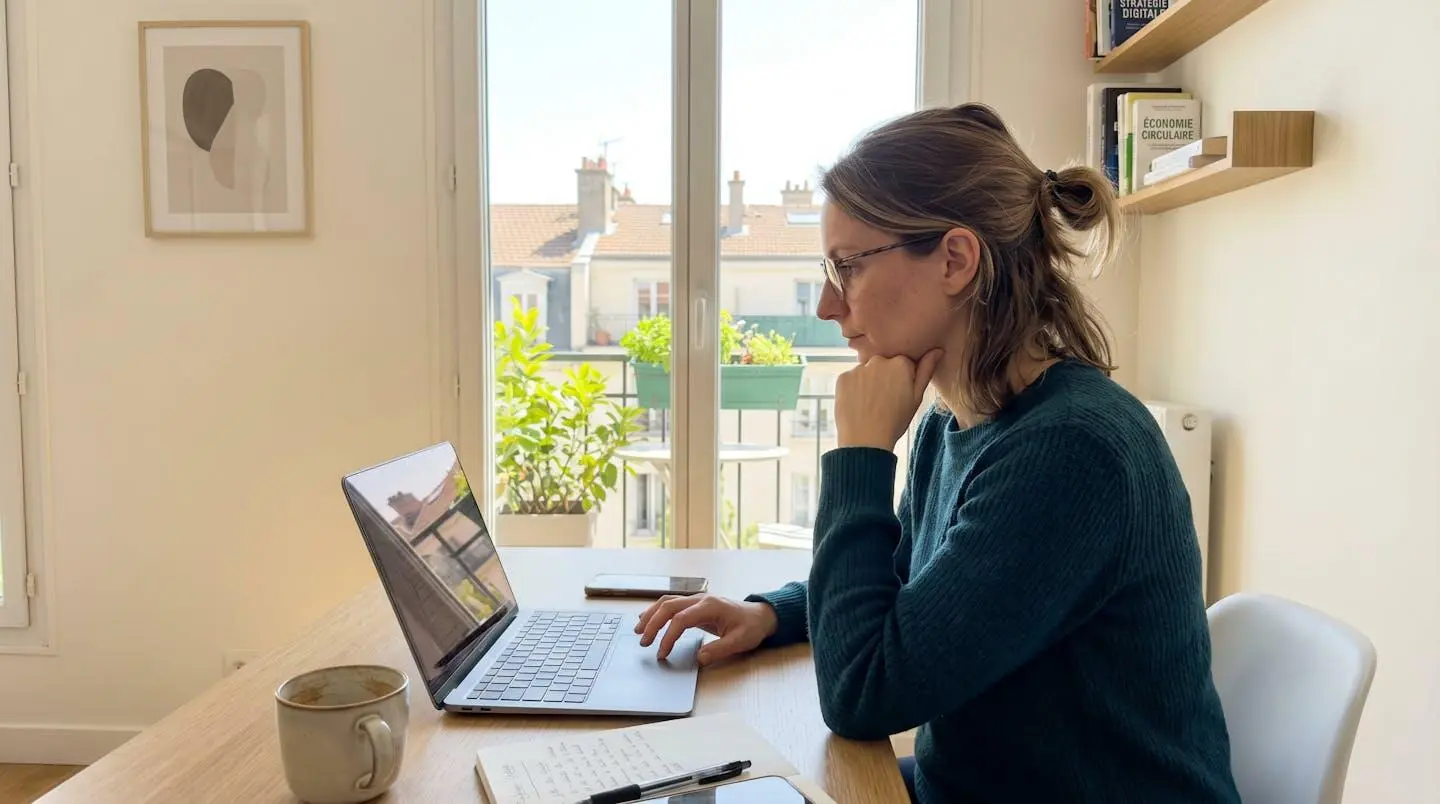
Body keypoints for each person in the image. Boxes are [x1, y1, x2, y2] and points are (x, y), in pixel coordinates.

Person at [634, 102, 1241, 803]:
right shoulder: (953, 421)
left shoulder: (1072, 452)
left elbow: (864, 692)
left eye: (848, 267)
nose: (829, 307)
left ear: (955, 259)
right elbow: (910, 584)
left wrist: (859, 455)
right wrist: (771, 613)